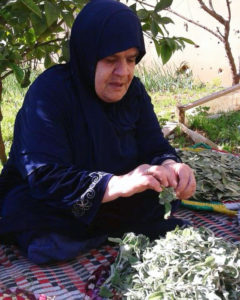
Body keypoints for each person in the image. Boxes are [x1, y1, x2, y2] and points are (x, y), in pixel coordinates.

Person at [0, 0, 196, 264]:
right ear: (87, 56)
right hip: (56, 201)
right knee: (48, 234)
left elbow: (155, 147)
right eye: (110, 59)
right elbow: (45, 176)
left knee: (159, 200)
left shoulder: (134, 93)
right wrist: (118, 184)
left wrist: (173, 167)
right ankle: (104, 231)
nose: (123, 72)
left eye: (130, 59)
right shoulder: (50, 94)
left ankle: (103, 231)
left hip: (114, 196)